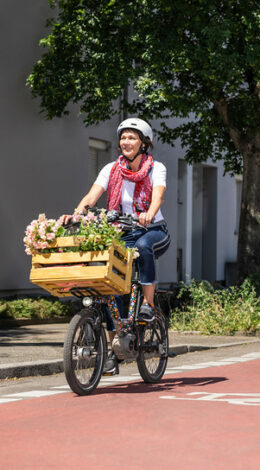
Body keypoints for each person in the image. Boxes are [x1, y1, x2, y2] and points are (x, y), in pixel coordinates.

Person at [63, 117, 170, 375]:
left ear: (144, 143)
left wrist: (148, 213)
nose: (126, 142)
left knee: (144, 247)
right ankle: (114, 350)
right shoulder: (111, 169)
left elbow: (158, 196)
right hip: (122, 232)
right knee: (112, 287)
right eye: (123, 137)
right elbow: (91, 196)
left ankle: (147, 305)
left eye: (132, 137)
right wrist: (76, 215)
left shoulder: (157, 168)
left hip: (152, 230)